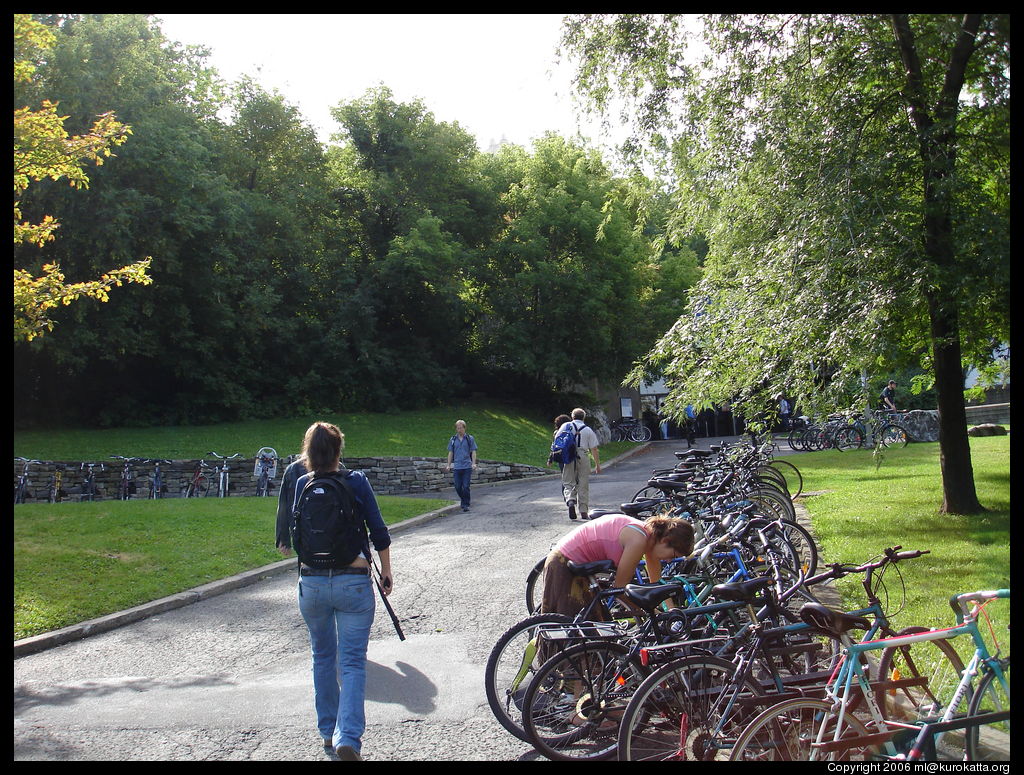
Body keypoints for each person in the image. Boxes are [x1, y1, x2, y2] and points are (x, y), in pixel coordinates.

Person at [276, 421, 393, 762]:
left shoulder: (301, 484)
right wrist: (386, 571)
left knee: (322, 657)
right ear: (339, 450)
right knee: (353, 662)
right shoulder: (356, 482)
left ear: (308, 453)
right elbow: (379, 531)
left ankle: (328, 732)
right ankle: (349, 738)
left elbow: (298, 537)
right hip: (353, 581)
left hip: (311, 583)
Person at [541, 514, 695, 619]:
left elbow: (657, 583)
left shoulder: (650, 539)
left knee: (596, 627)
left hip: (574, 564)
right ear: (665, 540)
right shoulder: (638, 541)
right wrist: (652, 613)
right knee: (568, 633)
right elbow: (620, 589)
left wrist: (671, 612)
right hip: (563, 562)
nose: (669, 561)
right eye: (673, 555)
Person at [553, 408, 601, 520]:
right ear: (583, 417)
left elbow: (557, 439)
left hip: (569, 456)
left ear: (572, 416)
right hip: (583, 455)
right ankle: (583, 511)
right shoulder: (588, 430)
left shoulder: (565, 426)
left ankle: (570, 500)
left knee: (568, 482)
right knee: (583, 483)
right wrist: (597, 465)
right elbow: (594, 449)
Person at [445, 419, 478, 512]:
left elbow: (473, 451)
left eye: (461, 428)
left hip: (467, 466)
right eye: (457, 428)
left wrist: (473, 463)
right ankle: (464, 500)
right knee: (457, 486)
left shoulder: (469, 438)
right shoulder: (453, 439)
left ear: (464, 428)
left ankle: (466, 504)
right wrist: (448, 465)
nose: (459, 430)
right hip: (457, 467)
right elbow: (450, 453)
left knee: (466, 486)